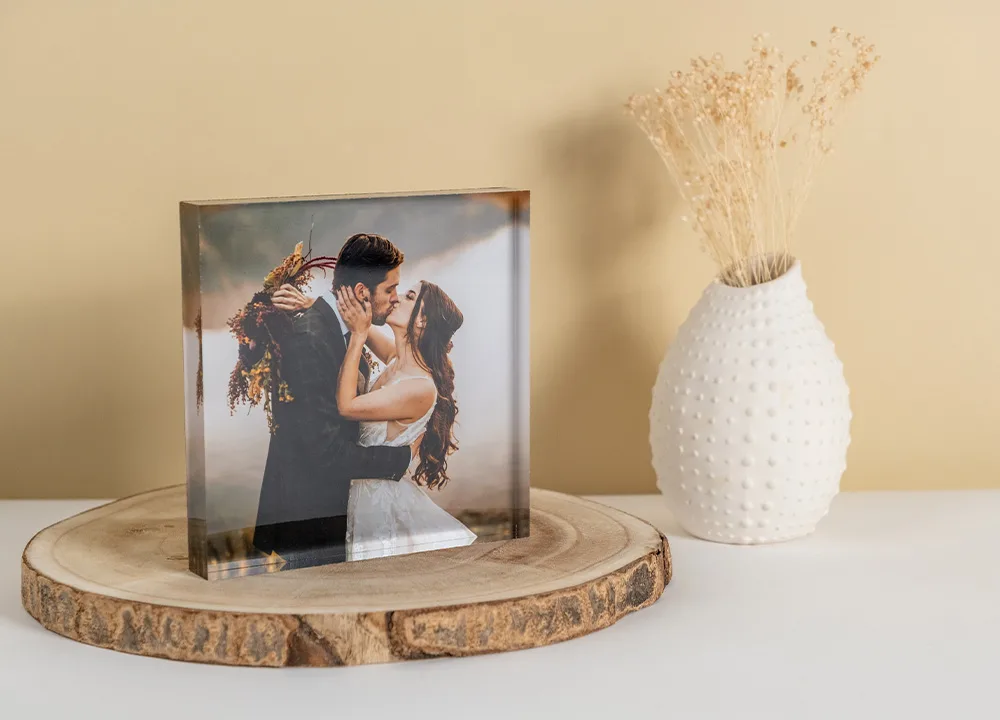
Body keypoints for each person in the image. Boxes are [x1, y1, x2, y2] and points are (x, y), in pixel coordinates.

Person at [275, 277, 476, 560]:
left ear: (422, 322)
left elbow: (347, 406)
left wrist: (357, 337)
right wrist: (313, 305)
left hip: (378, 503)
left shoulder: (420, 387)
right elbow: (364, 325)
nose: (396, 298)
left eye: (409, 297)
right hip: (361, 489)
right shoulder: (397, 359)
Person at [250, 233, 414, 569]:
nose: (395, 299)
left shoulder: (335, 325)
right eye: (390, 289)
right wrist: (403, 457)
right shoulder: (310, 340)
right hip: (310, 521)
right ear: (361, 292)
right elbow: (325, 452)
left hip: (329, 509)